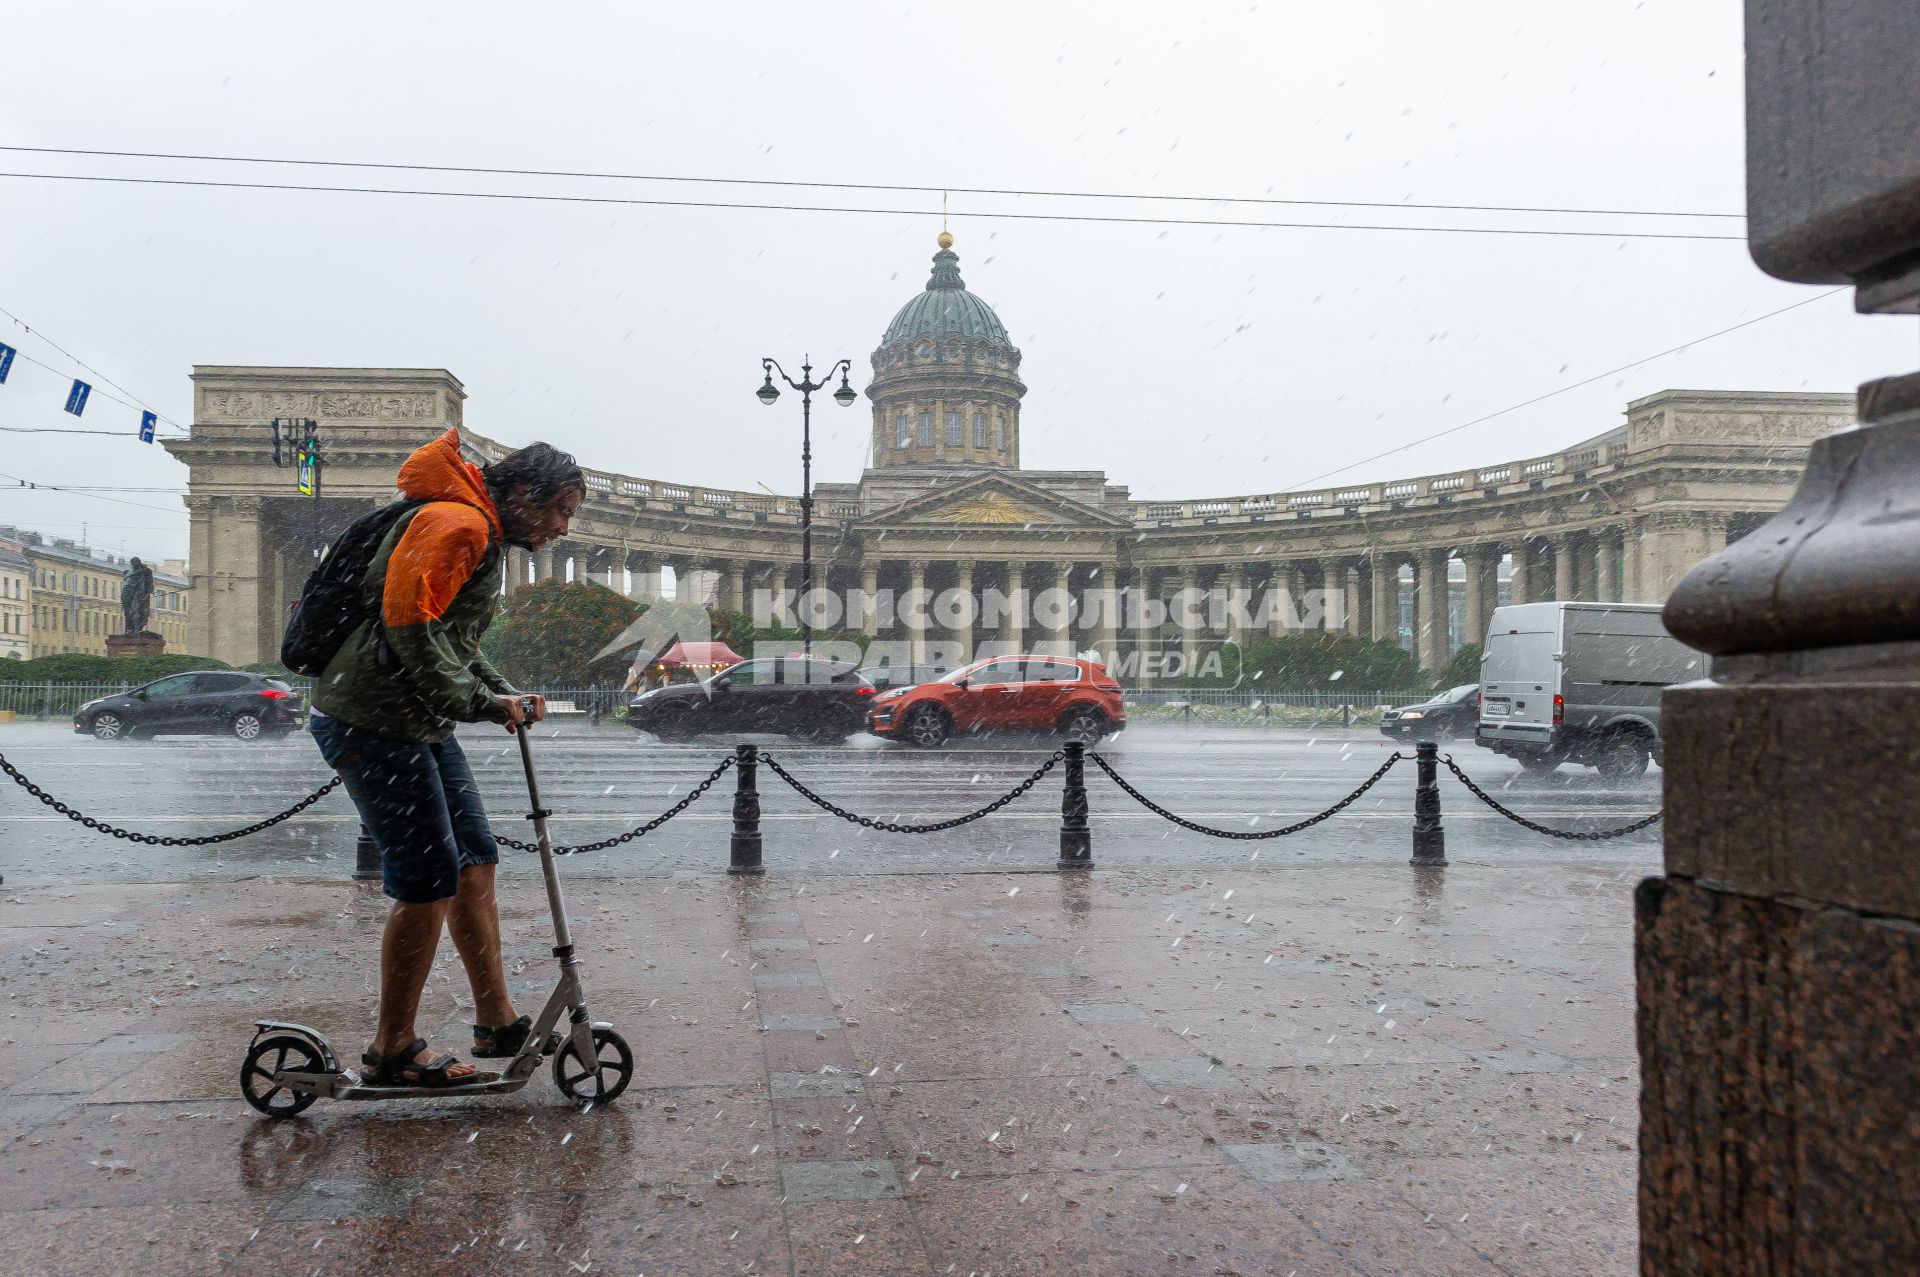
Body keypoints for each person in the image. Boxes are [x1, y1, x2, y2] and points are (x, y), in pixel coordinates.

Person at [309, 428, 584, 1087]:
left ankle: (495, 1017)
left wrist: (500, 689)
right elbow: (409, 628)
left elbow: (447, 634)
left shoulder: (477, 528)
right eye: (559, 511)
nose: (562, 528)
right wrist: (482, 704)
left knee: (475, 855)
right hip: (371, 719)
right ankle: (393, 1047)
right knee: (428, 874)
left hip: (412, 719)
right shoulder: (458, 523)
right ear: (522, 495)